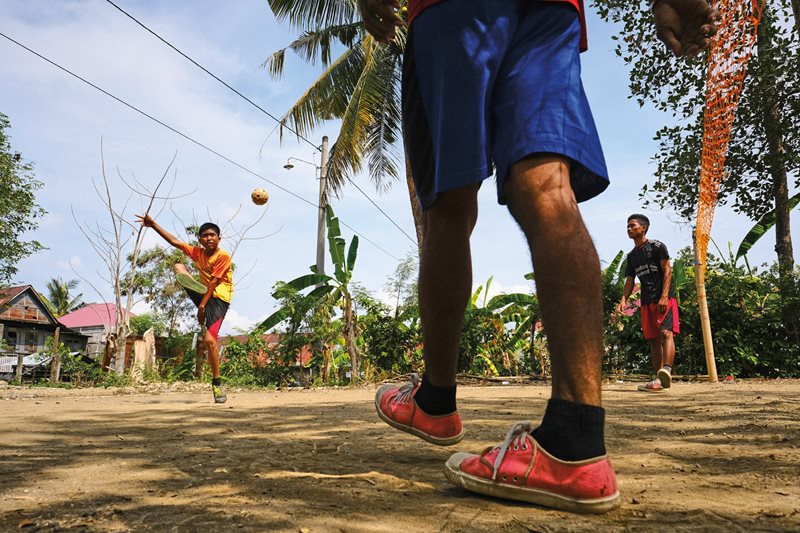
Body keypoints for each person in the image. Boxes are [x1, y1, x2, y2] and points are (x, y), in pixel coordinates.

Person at [359, 0, 719, 514]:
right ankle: (576, 441)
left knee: (447, 205)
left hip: (454, 11)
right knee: (549, 186)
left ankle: (436, 401)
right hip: (553, 9)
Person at [135, 214, 233, 403]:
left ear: (219, 239)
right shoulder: (197, 253)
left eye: (212, 235)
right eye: (204, 235)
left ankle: (216, 383)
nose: (209, 238)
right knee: (179, 266)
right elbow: (174, 241)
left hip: (218, 299)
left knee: (210, 342)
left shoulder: (223, 256)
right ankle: (195, 288)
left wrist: (202, 307)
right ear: (199, 239)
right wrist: (153, 224)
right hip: (205, 293)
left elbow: (214, 282)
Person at [618, 214, 680, 392]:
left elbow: (667, 270)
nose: (629, 229)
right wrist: (624, 299)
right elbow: (630, 280)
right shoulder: (631, 256)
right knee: (653, 339)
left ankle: (666, 371)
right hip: (645, 301)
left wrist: (664, 296)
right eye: (627, 226)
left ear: (643, 228)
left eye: (632, 226)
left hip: (664, 298)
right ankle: (658, 380)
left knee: (667, 333)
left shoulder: (657, 247)